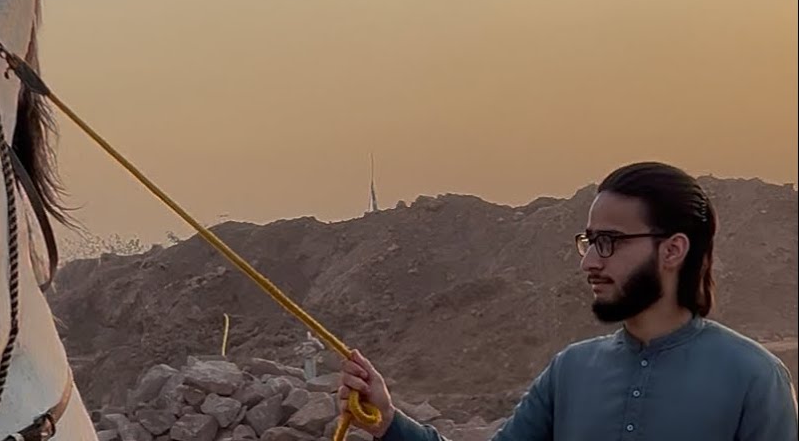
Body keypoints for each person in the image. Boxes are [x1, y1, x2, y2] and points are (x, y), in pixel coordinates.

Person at [338, 161, 797, 440]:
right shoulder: (571, 371)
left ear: (673, 249)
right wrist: (388, 421)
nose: (590, 263)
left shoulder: (754, 377)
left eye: (611, 242)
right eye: (590, 242)